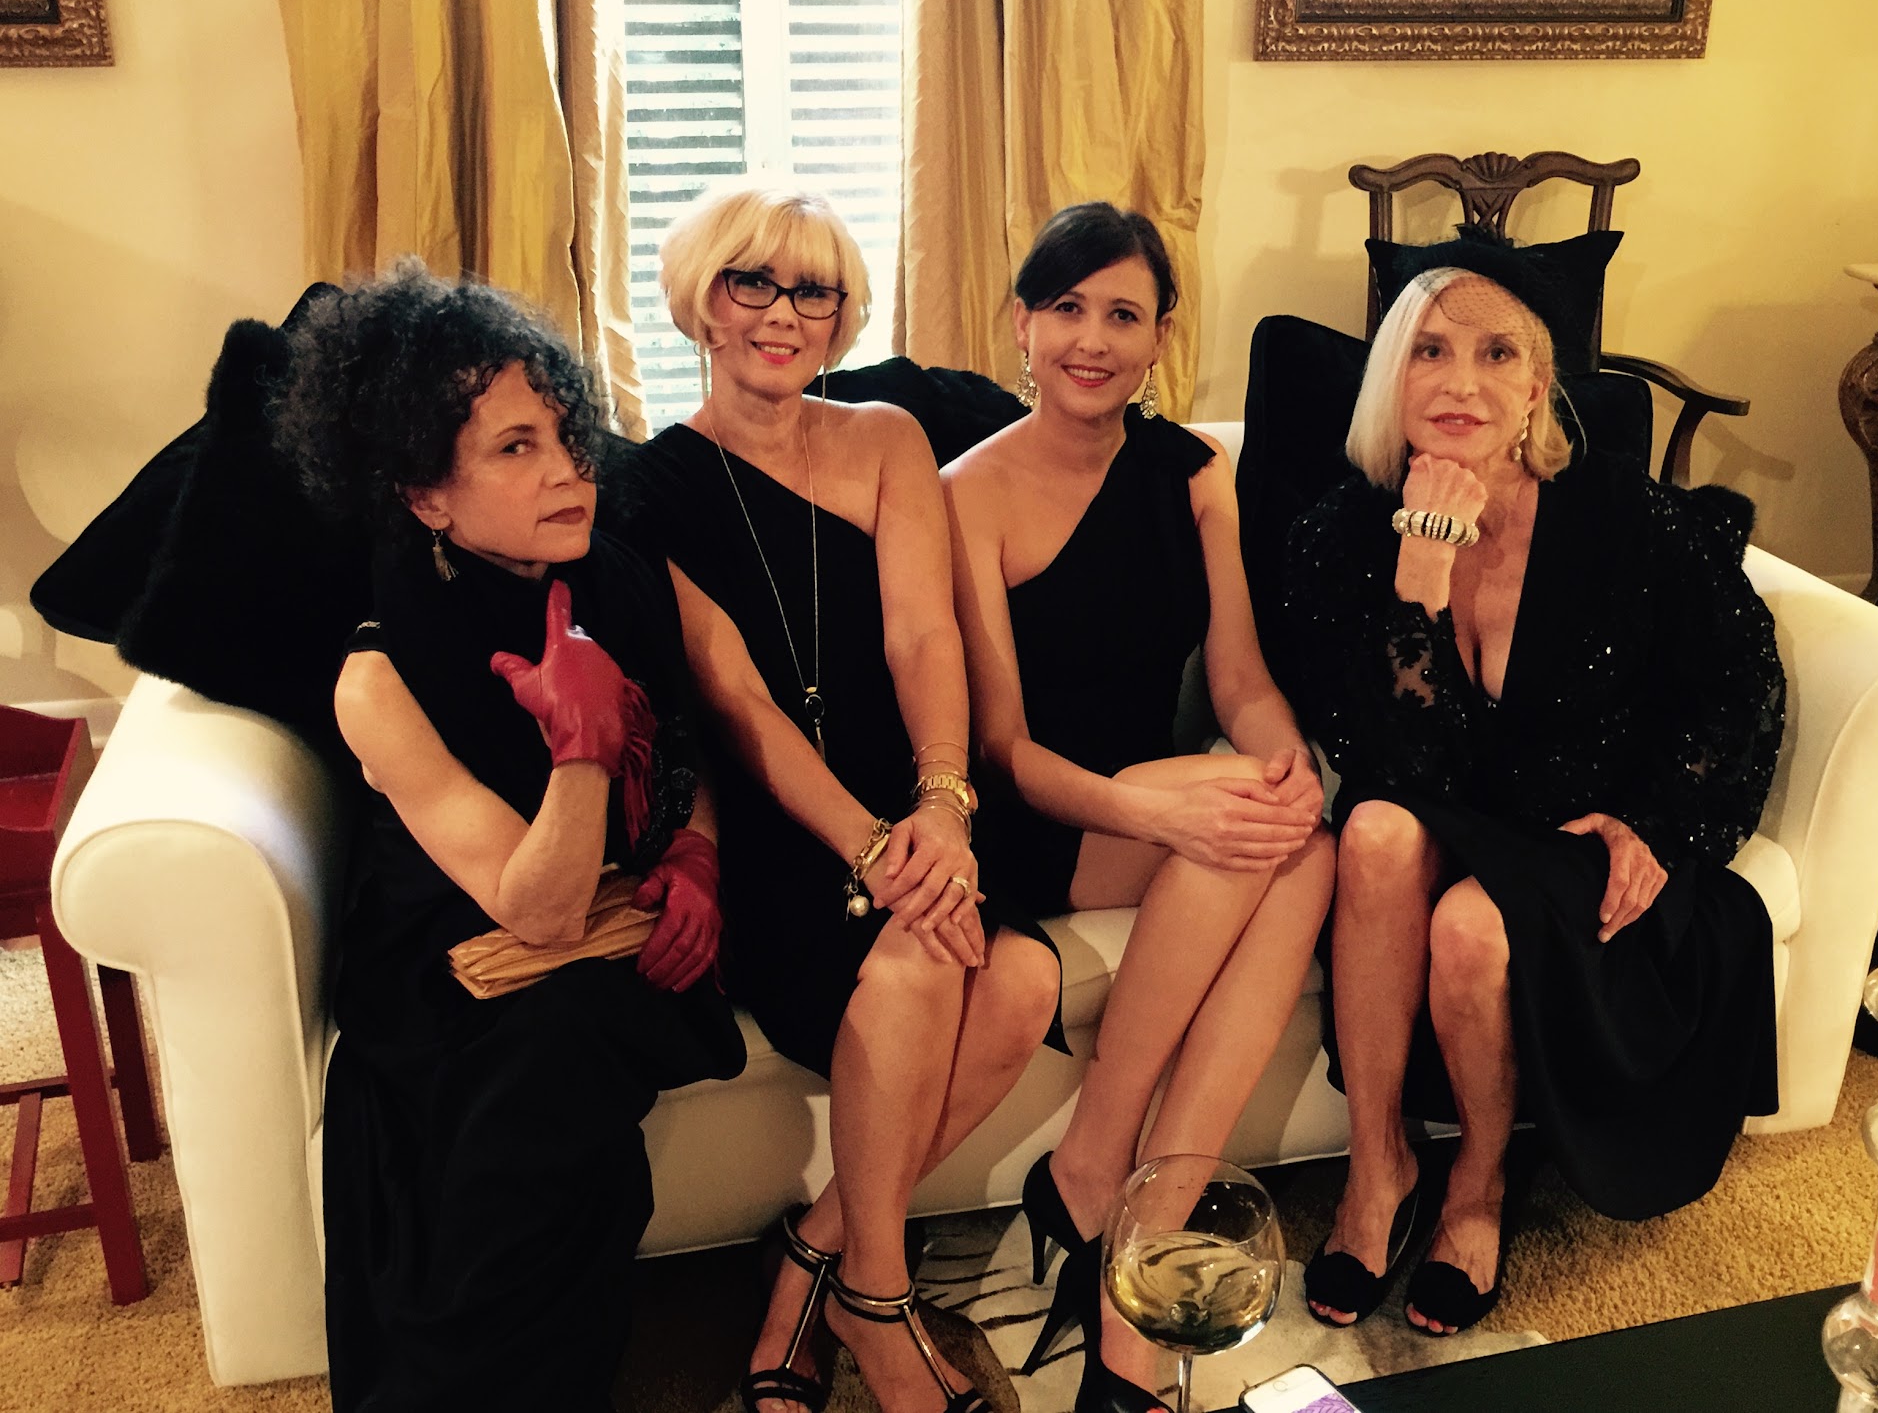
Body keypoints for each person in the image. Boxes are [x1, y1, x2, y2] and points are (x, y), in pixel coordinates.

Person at [1280, 237, 1784, 1338]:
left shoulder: (1624, 515)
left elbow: (1738, 683)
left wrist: (1656, 823)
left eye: (1495, 353)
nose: (1459, 382)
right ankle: (1377, 1167)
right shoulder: (1339, 534)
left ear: (1536, 385)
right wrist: (1420, 571)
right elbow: (1399, 769)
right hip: (1442, 811)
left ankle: (1476, 1189)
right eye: (1428, 351)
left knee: (1471, 927)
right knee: (1374, 832)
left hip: (1573, 828)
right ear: (1390, 374)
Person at [275, 263, 747, 1412]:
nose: (566, 469)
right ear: (426, 495)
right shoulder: (378, 676)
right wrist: (580, 748)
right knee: (538, 1087)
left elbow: (685, 752)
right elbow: (531, 908)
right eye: (513, 448)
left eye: (565, 435)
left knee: (565, 1054)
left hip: (603, 926)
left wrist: (694, 853)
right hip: (458, 956)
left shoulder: (616, 575)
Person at [632, 183, 1062, 1413]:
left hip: (915, 798)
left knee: (1023, 983)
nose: (782, 313)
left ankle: (812, 1258)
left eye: (812, 290)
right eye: (750, 283)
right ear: (700, 302)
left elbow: (925, 636)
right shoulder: (651, 482)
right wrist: (871, 848)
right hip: (782, 826)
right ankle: (878, 1297)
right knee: (926, 962)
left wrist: (942, 808)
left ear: (840, 313)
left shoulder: (886, 437)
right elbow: (735, 702)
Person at [943, 202, 1334, 1412]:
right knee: (1239, 837)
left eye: (1123, 314)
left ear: (1160, 337)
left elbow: (1240, 681)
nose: (1091, 340)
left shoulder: (1194, 474)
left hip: (1149, 791)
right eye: (1066, 309)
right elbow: (1001, 749)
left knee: (1297, 837)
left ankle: (1135, 1202)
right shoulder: (966, 492)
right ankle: (1108, 1181)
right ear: (1021, 324)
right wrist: (1165, 817)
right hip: (1036, 808)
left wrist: (1286, 764)